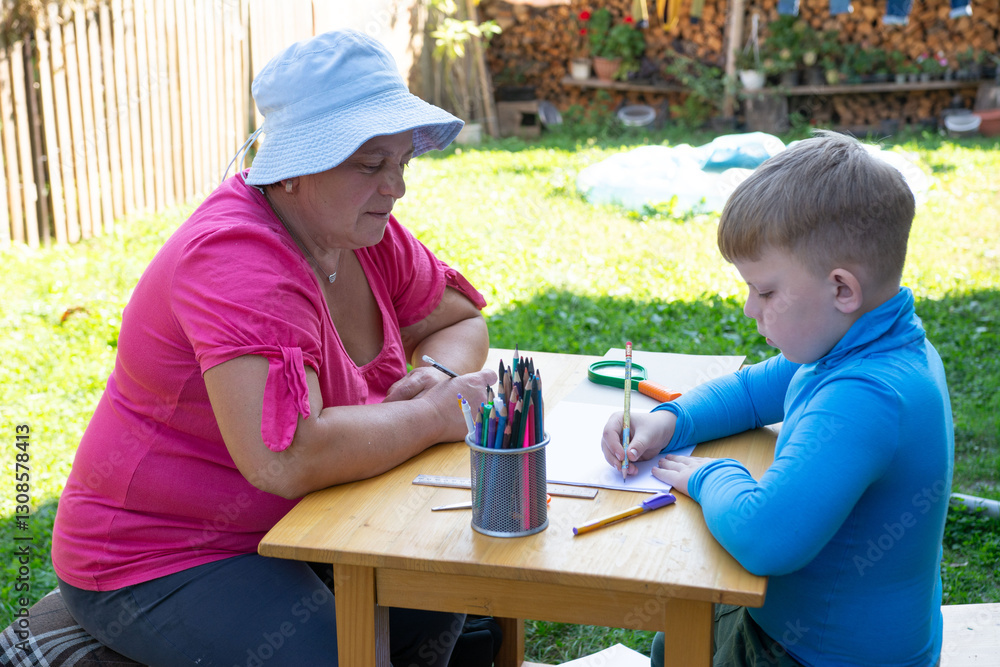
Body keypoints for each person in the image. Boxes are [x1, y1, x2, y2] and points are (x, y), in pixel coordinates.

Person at [51, 29, 496, 666]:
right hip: (166, 550)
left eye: (402, 162)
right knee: (338, 658)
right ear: (292, 170)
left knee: (449, 581)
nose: (396, 187)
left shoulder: (361, 232)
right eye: (371, 165)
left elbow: (463, 322)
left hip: (306, 522)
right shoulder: (238, 259)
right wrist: (430, 415)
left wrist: (436, 372)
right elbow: (284, 459)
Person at [601, 132, 953, 667]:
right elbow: (748, 391)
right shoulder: (865, 342)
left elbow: (764, 537)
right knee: (673, 638)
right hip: (808, 628)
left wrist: (705, 474)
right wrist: (669, 421)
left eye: (764, 291)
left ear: (842, 290)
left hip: (823, 655)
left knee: (684, 634)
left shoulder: (866, 395)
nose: (749, 309)